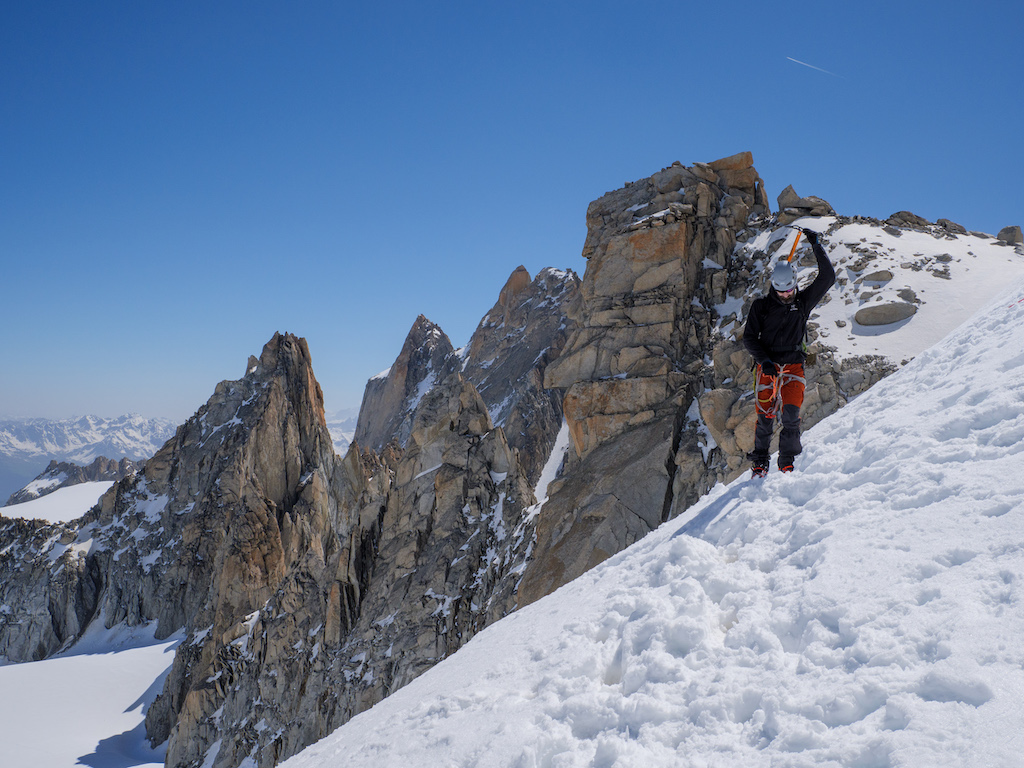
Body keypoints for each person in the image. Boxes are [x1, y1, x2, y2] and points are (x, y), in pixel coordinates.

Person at [742, 227, 835, 476]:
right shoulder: (761, 306)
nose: (785, 295)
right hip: (768, 365)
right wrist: (764, 361)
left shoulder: (802, 303)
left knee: (791, 415)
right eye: (780, 291)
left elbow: (827, 278)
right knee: (765, 415)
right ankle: (760, 461)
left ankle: (787, 461)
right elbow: (749, 338)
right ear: (773, 285)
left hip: (793, 365)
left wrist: (815, 244)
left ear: (795, 284)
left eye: (789, 290)